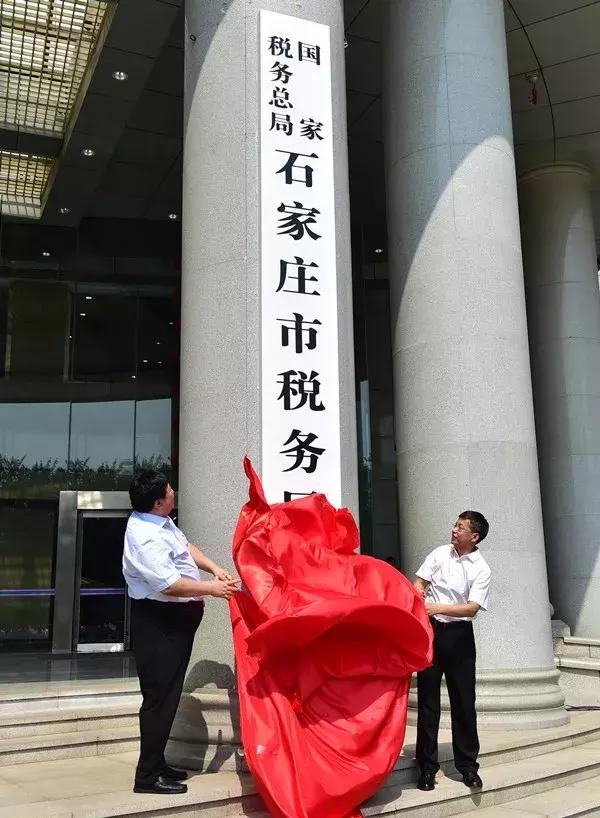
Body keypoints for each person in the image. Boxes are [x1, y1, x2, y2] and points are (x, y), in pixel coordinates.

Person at [123, 470, 238, 795]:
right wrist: (212, 589)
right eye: (169, 489)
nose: (173, 491)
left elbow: (185, 547)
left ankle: (157, 763)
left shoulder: (160, 521)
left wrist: (213, 567)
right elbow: (169, 585)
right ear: (158, 501)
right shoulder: (145, 537)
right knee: (159, 698)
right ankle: (147, 777)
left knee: (169, 694)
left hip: (175, 620)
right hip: (159, 622)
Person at [413, 511, 491, 793]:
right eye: (455, 525)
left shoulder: (481, 568)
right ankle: (426, 768)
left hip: (459, 637)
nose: (454, 530)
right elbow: (419, 583)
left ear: (474, 536)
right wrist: (418, 594)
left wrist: (436, 607)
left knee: (464, 702)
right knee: (427, 702)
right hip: (431, 633)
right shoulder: (439, 554)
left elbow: (472, 608)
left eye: (460, 527)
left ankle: (468, 767)